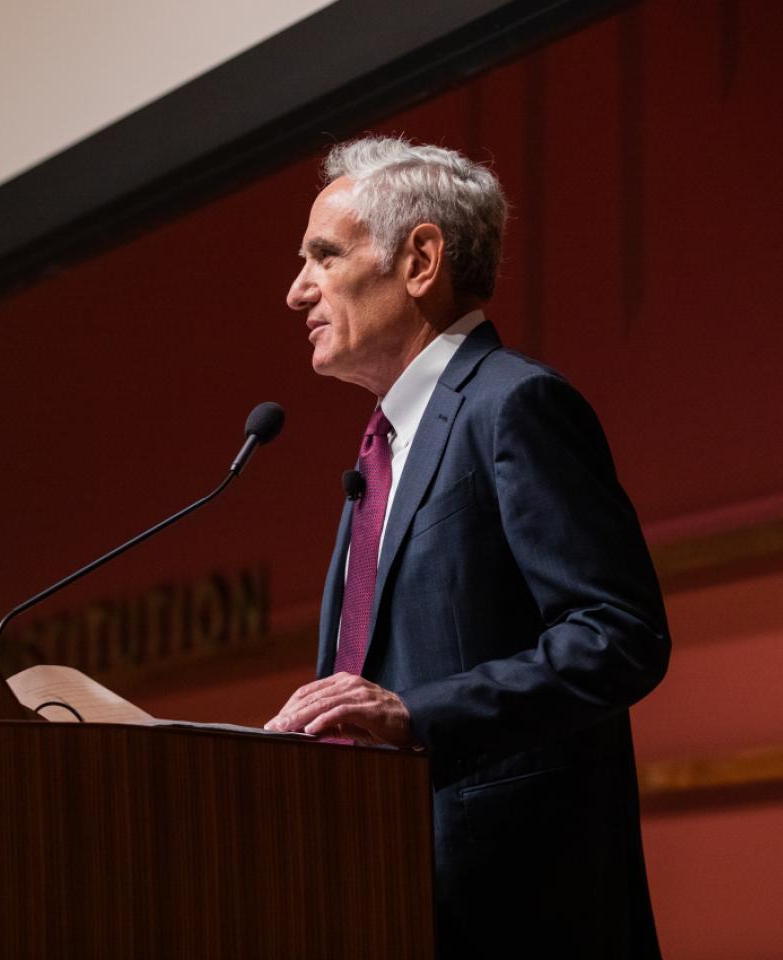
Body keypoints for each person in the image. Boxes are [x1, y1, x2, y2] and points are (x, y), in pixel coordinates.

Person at [264, 136, 669, 959]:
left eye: (323, 255)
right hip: (386, 893)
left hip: (515, 908)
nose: (294, 290)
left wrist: (417, 716)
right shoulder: (380, 449)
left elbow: (617, 636)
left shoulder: (512, 405)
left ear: (419, 259)